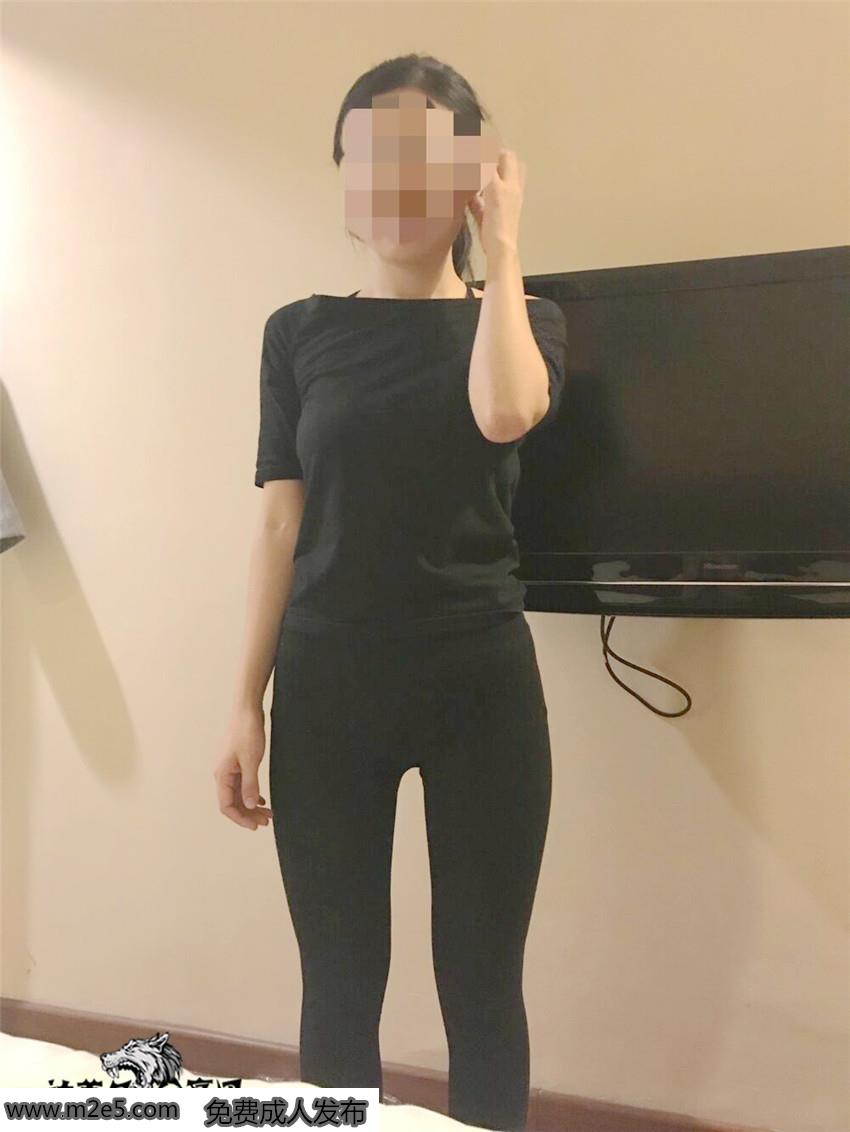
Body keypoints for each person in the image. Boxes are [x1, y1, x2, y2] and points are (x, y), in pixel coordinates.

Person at [214, 53, 568, 1132]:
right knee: (338, 980)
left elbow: (504, 414)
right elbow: (280, 524)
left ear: (470, 173)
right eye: (371, 158)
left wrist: (502, 250)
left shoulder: (527, 318)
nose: (394, 184)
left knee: (481, 983)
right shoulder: (298, 331)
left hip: (479, 682)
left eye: (424, 159)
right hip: (329, 681)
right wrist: (244, 702)